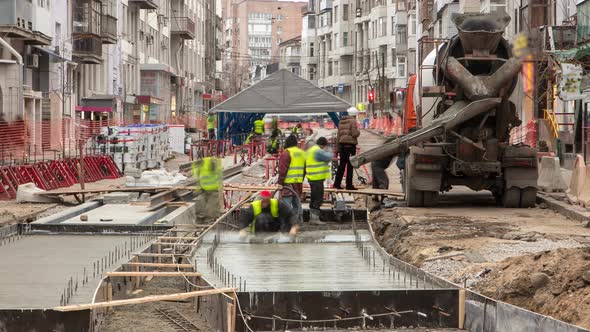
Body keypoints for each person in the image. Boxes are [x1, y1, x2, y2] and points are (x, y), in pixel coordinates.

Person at [306, 137, 333, 225]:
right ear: (323, 145)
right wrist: (329, 149)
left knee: (314, 198)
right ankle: (314, 219)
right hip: (316, 178)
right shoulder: (317, 151)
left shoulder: (311, 150)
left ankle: (313, 217)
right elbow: (329, 157)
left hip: (312, 177)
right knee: (317, 199)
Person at [277, 134, 305, 221]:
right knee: (297, 204)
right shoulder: (302, 153)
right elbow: (305, 169)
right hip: (298, 183)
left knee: (286, 205)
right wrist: (300, 179)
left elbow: (282, 170)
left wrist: (280, 183)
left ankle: (286, 224)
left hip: (288, 184)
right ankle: (298, 221)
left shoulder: (286, 153)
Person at [334, 107, 361, 190]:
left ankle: (337, 184)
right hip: (350, 146)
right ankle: (349, 185)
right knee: (350, 166)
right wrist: (358, 131)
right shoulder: (353, 121)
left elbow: (338, 136)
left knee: (341, 165)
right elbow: (354, 134)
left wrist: (337, 149)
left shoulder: (341, 121)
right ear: (355, 115)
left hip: (342, 146)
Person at [191, 157, 222, 224]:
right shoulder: (202, 165)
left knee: (212, 207)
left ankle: (209, 221)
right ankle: (201, 221)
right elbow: (196, 175)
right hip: (203, 189)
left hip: (212, 190)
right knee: (201, 206)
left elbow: (220, 176)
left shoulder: (215, 164)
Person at [371, 135, 397, 208]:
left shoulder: (386, 147)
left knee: (376, 181)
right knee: (384, 181)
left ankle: (375, 197)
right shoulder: (389, 149)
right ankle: (384, 199)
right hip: (378, 166)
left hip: (375, 164)